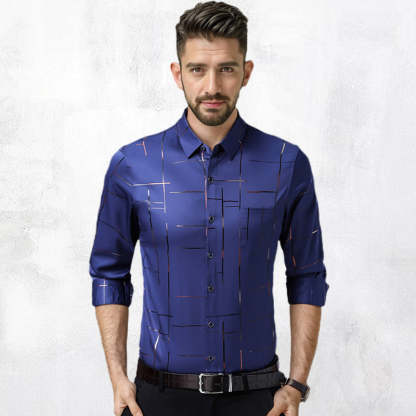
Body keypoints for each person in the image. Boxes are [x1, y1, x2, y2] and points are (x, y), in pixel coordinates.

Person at [88, 2, 329, 415]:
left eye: (227, 69)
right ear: (177, 73)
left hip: (258, 399)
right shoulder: (133, 165)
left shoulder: (286, 164)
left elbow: (307, 275)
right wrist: (118, 377)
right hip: (158, 399)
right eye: (198, 69)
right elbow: (109, 273)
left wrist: (296, 384)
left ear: (246, 72)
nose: (212, 86)